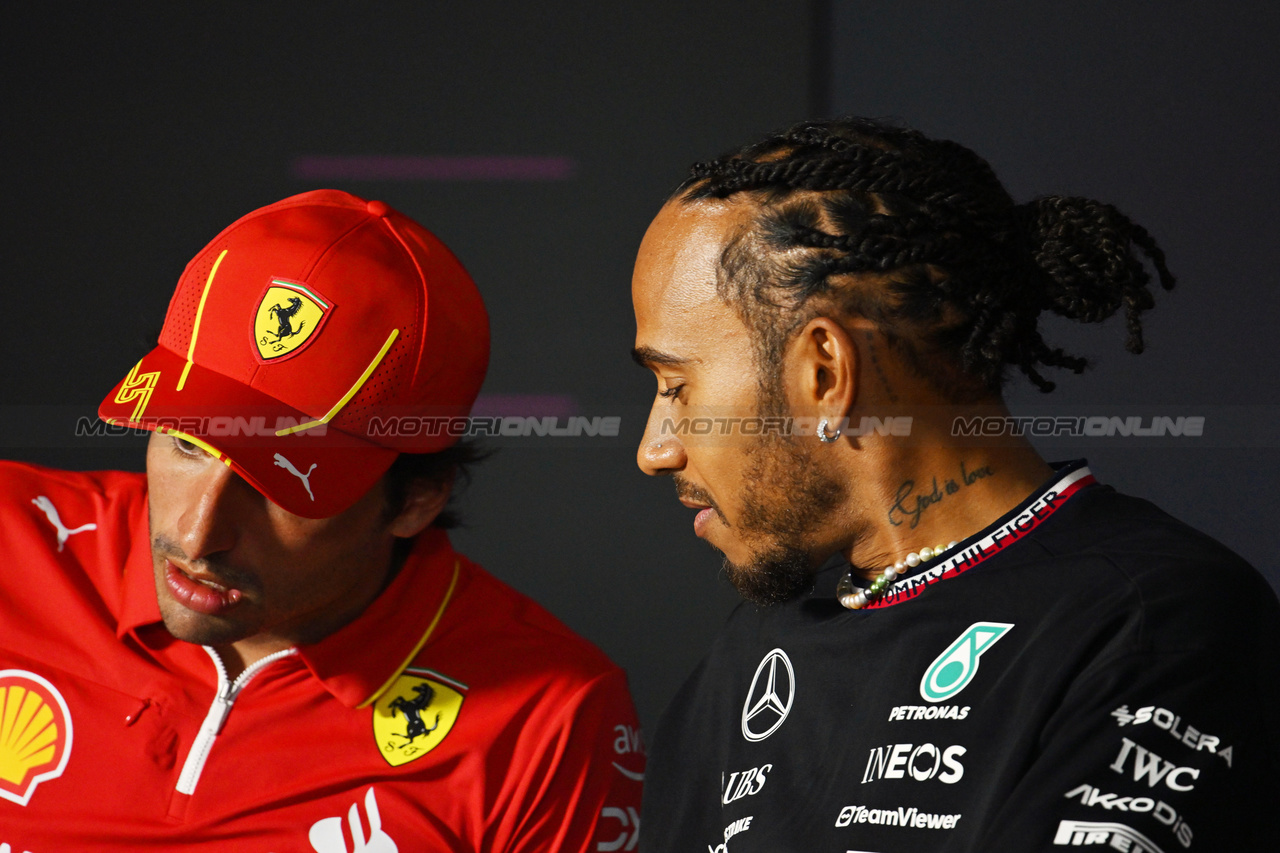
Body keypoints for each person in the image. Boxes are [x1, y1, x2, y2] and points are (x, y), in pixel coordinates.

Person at [630, 117, 1279, 852]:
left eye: (675, 386)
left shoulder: (1153, 621)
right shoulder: (744, 659)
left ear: (823, 372)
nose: (655, 450)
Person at [0, 190, 644, 851]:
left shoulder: (548, 720)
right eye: (188, 444)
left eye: (281, 484)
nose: (196, 536)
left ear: (415, 499)